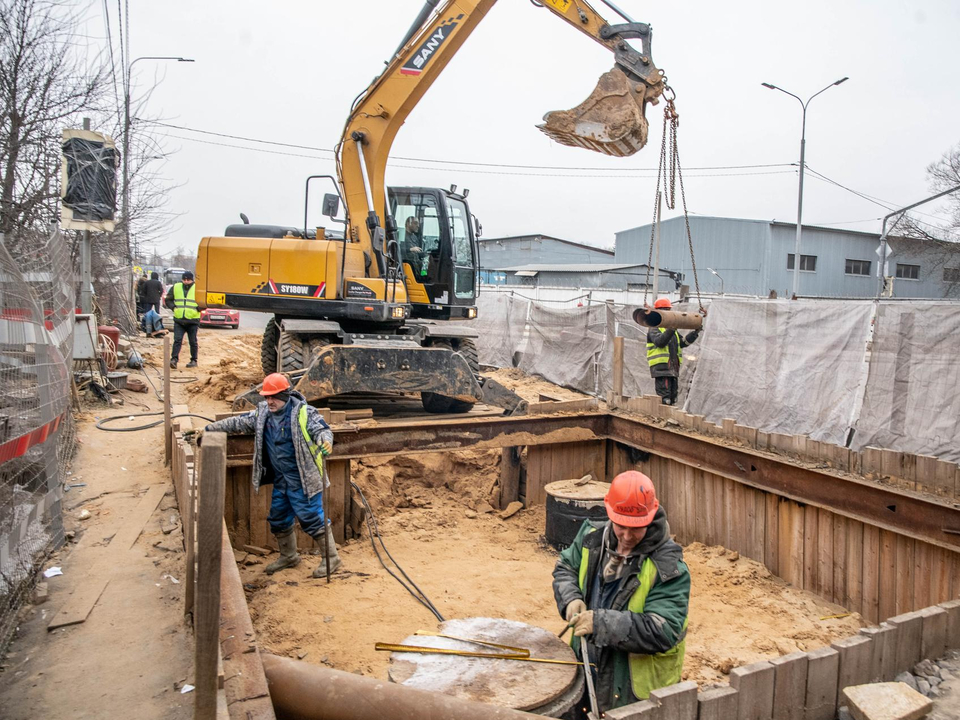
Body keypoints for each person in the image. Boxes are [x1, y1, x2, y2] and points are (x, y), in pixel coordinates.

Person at [552, 471, 689, 716]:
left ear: (650, 517)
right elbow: (566, 568)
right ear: (610, 513)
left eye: (636, 529)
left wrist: (600, 623)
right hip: (587, 668)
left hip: (633, 694)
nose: (626, 536)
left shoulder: (668, 567)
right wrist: (571, 597)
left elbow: (663, 630)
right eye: (621, 526)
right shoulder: (591, 537)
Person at [202, 373, 341, 577]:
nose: (269, 401)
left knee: (311, 519)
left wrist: (325, 440)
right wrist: (208, 429)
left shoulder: (304, 413)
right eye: (266, 397)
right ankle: (289, 556)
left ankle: (331, 558)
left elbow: (322, 429)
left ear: (285, 395)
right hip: (282, 481)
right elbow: (237, 423)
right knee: (278, 519)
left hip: (304, 480)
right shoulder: (262, 415)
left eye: (273, 397)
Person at [646, 298, 699, 406]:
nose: (669, 313)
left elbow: (683, 343)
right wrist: (672, 328)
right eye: (666, 310)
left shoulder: (672, 331)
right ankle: (662, 418)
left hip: (672, 367)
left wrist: (695, 333)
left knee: (673, 397)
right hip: (661, 368)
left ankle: (669, 418)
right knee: (665, 398)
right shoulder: (654, 328)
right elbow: (660, 342)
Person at [164, 270, 200, 369]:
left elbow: (203, 301)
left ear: (192, 280)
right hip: (179, 319)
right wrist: (173, 307)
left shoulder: (197, 288)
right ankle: (174, 360)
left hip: (192, 320)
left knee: (193, 341)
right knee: (177, 340)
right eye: (184, 279)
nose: (186, 281)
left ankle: (193, 360)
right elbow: (168, 299)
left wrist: (199, 308)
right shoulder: (176, 287)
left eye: (188, 279)